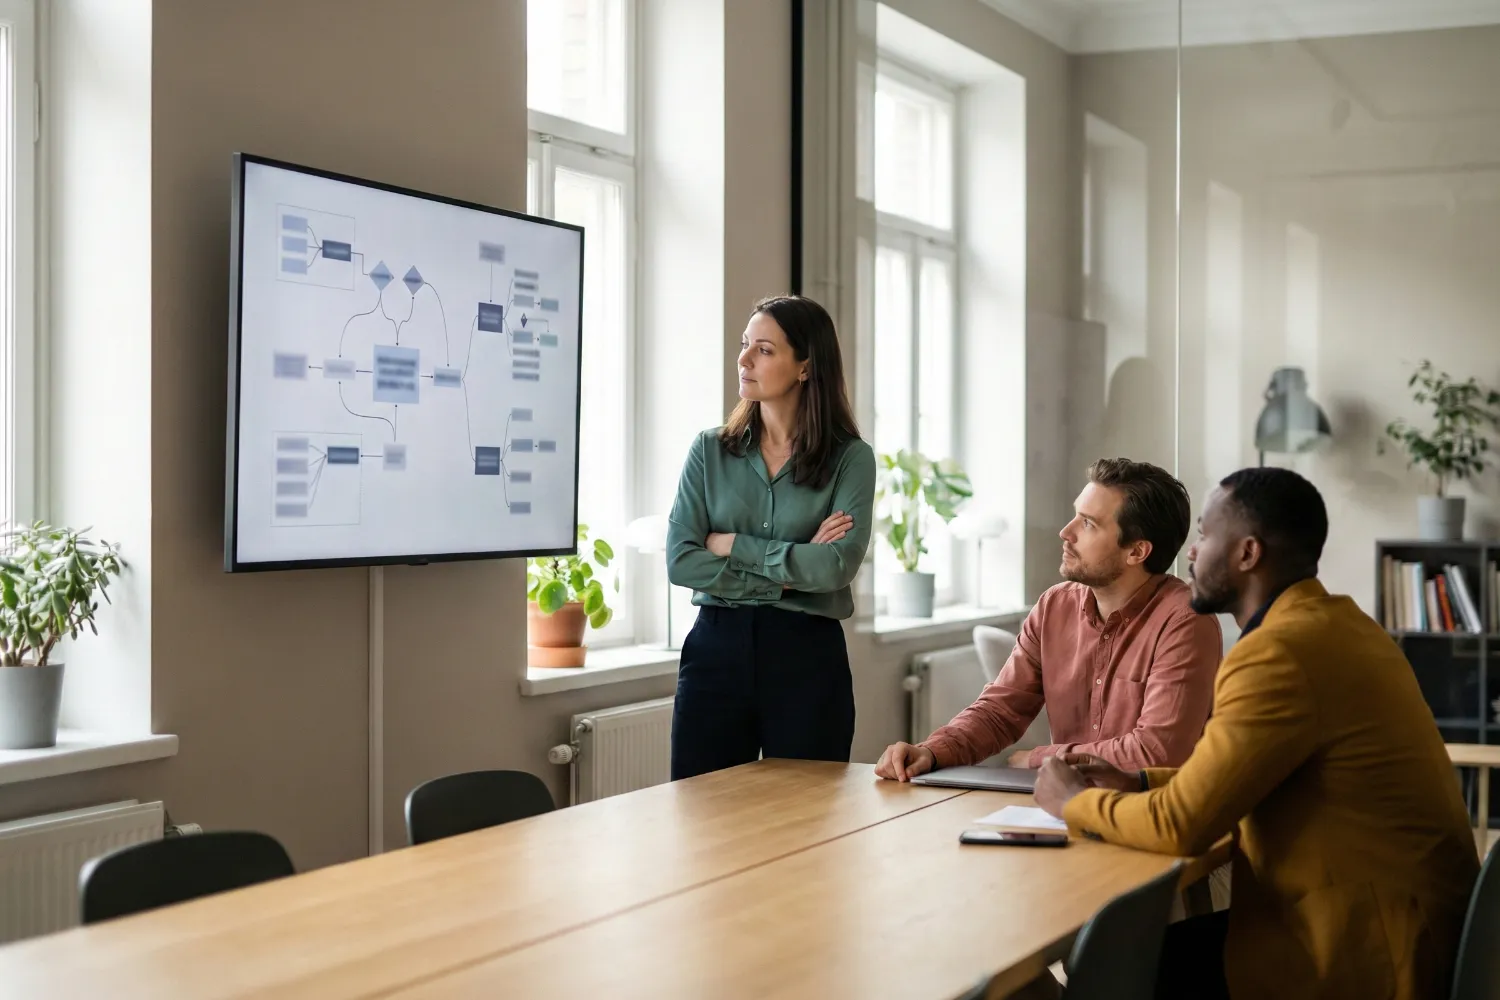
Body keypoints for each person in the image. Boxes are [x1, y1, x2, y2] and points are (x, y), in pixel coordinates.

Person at [1035, 467, 1479, 1000]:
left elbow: (1183, 826)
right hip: (1411, 928)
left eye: (1204, 535)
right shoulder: (1339, 623)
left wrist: (1074, 804)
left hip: (1362, 956)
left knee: (1110, 974)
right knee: (1128, 960)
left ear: (1247, 554)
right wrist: (1141, 779)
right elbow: (1259, 767)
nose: (1192, 554)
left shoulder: (1279, 653)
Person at [875, 459, 1222, 782]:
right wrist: (932, 751)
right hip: (1061, 808)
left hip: (1146, 815)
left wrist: (1042, 759)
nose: (1066, 532)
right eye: (1076, 516)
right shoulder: (1055, 605)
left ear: (1136, 552)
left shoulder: (1186, 621)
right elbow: (1000, 711)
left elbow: (1158, 751)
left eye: (1088, 524)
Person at [665, 295, 875, 782]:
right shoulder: (708, 450)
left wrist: (733, 545)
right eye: (745, 346)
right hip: (715, 649)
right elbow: (681, 561)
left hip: (807, 657)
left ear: (805, 366)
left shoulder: (850, 458)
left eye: (763, 349)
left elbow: (835, 567)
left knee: (808, 818)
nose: (743, 360)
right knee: (702, 816)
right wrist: (784, 577)